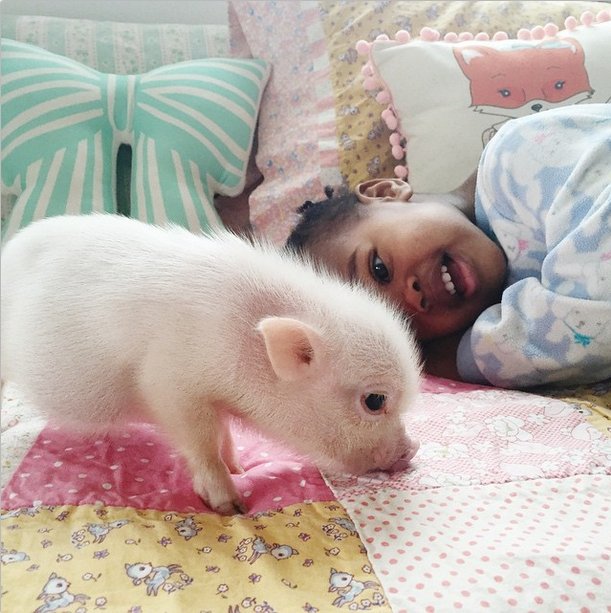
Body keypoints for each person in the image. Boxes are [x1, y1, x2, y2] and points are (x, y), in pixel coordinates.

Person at [286, 104, 611, 388]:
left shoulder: (519, 158)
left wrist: (460, 357)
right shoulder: (506, 293)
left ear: (385, 192)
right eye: (400, 322)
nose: (411, 300)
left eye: (379, 269)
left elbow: (596, 311)